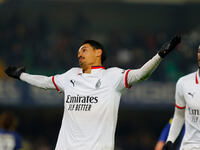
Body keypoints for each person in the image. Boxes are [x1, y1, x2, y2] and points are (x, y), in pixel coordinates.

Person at [5, 36, 181, 150]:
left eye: (84, 49)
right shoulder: (71, 75)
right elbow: (45, 82)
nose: (79, 54)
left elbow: (141, 74)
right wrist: (21, 75)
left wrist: (161, 54)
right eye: (78, 51)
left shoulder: (113, 76)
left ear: (98, 52)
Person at [163, 45, 200, 150]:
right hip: (189, 146)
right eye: (199, 51)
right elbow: (179, 115)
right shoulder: (183, 83)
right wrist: (170, 140)